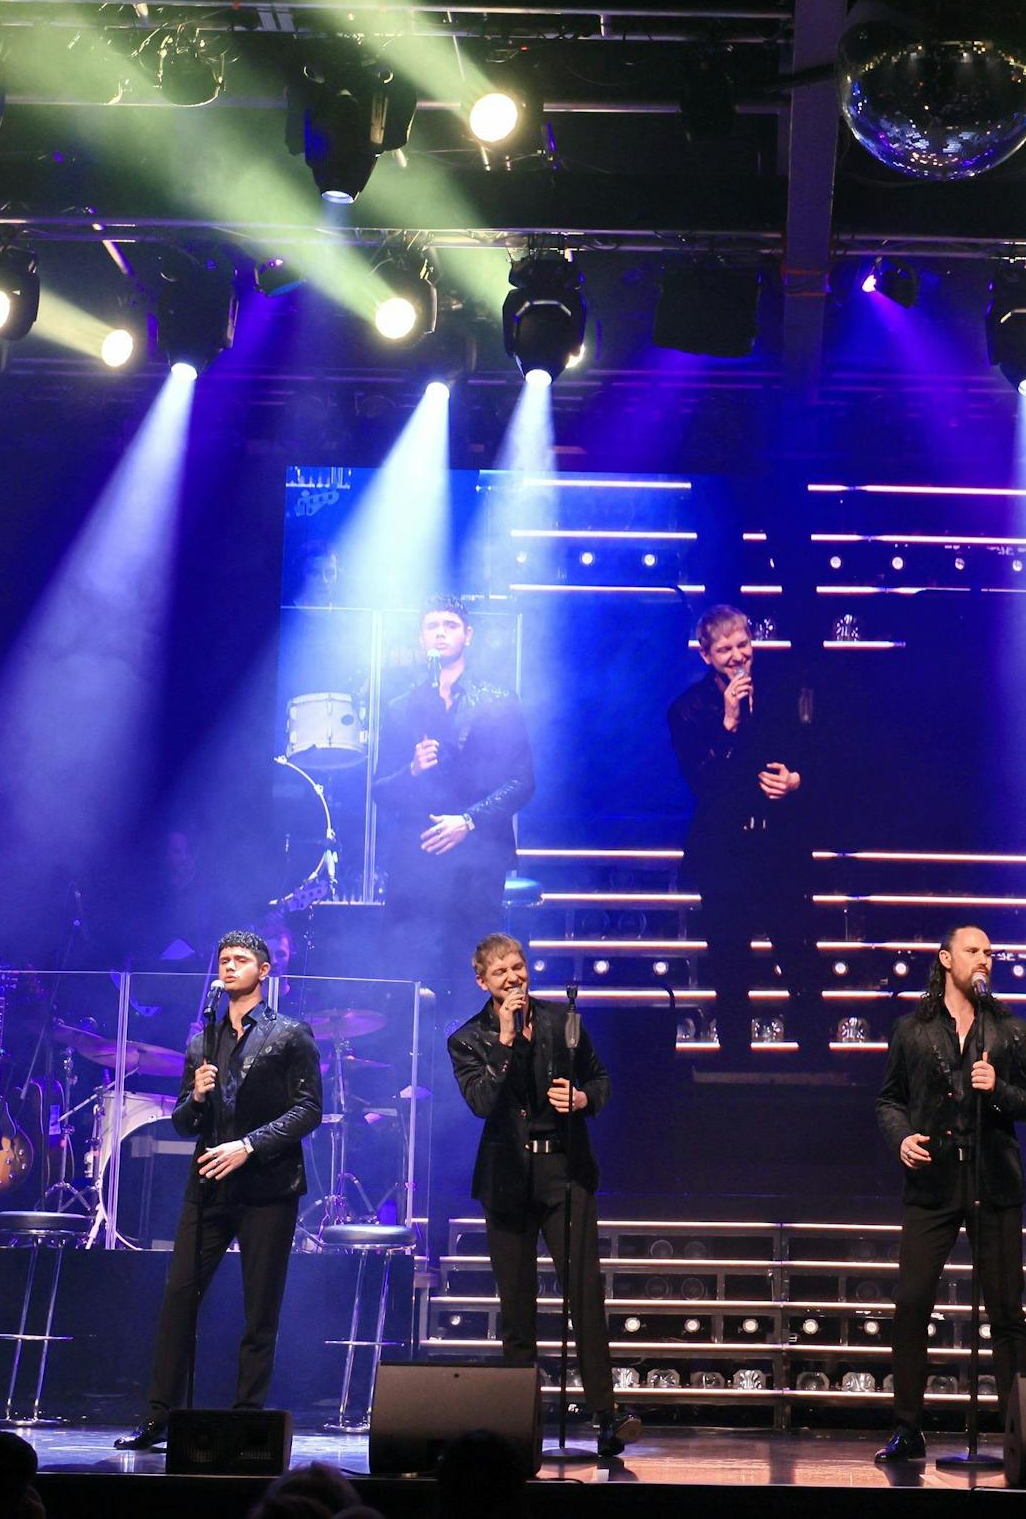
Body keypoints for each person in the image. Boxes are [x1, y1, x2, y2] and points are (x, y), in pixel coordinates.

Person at [115, 930, 323, 1449]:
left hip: (268, 1187)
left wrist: (248, 1146)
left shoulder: (290, 1034)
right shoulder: (201, 1041)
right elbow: (186, 1123)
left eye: (241, 960)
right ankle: (160, 1413)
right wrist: (196, 1096)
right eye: (224, 960)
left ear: (265, 971)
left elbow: (309, 1109)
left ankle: (247, 1414)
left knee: (260, 1306)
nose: (229, 967)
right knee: (179, 1297)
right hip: (208, 1186)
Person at [447, 932, 637, 1460]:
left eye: (519, 967)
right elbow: (483, 1102)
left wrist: (583, 1098)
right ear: (483, 982)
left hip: (564, 1171)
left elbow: (600, 1080)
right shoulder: (467, 1040)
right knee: (518, 1305)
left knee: (585, 1294)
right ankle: (519, 1420)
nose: (514, 978)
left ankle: (606, 1415)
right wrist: (505, 1041)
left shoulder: (561, 1020)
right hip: (507, 1179)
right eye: (501, 972)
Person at [872, 924, 1026, 1462]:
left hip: (993, 1179)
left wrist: (999, 1092)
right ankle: (908, 1426)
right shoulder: (912, 1028)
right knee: (912, 1301)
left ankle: (1019, 1431)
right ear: (946, 959)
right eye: (973, 951)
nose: (984, 960)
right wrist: (901, 1139)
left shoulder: (1011, 1029)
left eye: (990, 952)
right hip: (934, 1179)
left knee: (1006, 1310)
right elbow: (888, 1100)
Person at [666, 603, 816, 1055]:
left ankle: (817, 1065)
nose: (737, 656)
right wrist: (728, 723)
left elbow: (820, 756)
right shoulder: (688, 710)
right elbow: (703, 783)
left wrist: (796, 780)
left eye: (743, 645)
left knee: (800, 961)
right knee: (730, 967)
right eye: (726, 649)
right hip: (724, 854)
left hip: (780, 849)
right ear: (706, 655)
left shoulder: (782, 694)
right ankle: (734, 1068)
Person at [374, 596, 535, 970]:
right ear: (420, 638)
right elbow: (380, 790)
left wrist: (468, 820)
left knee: (471, 967)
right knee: (408, 966)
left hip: (477, 857)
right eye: (432, 626)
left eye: (450, 625)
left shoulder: (498, 701)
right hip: (417, 856)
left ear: (468, 635)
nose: (441, 634)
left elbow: (522, 781)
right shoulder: (401, 706)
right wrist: (411, 770)